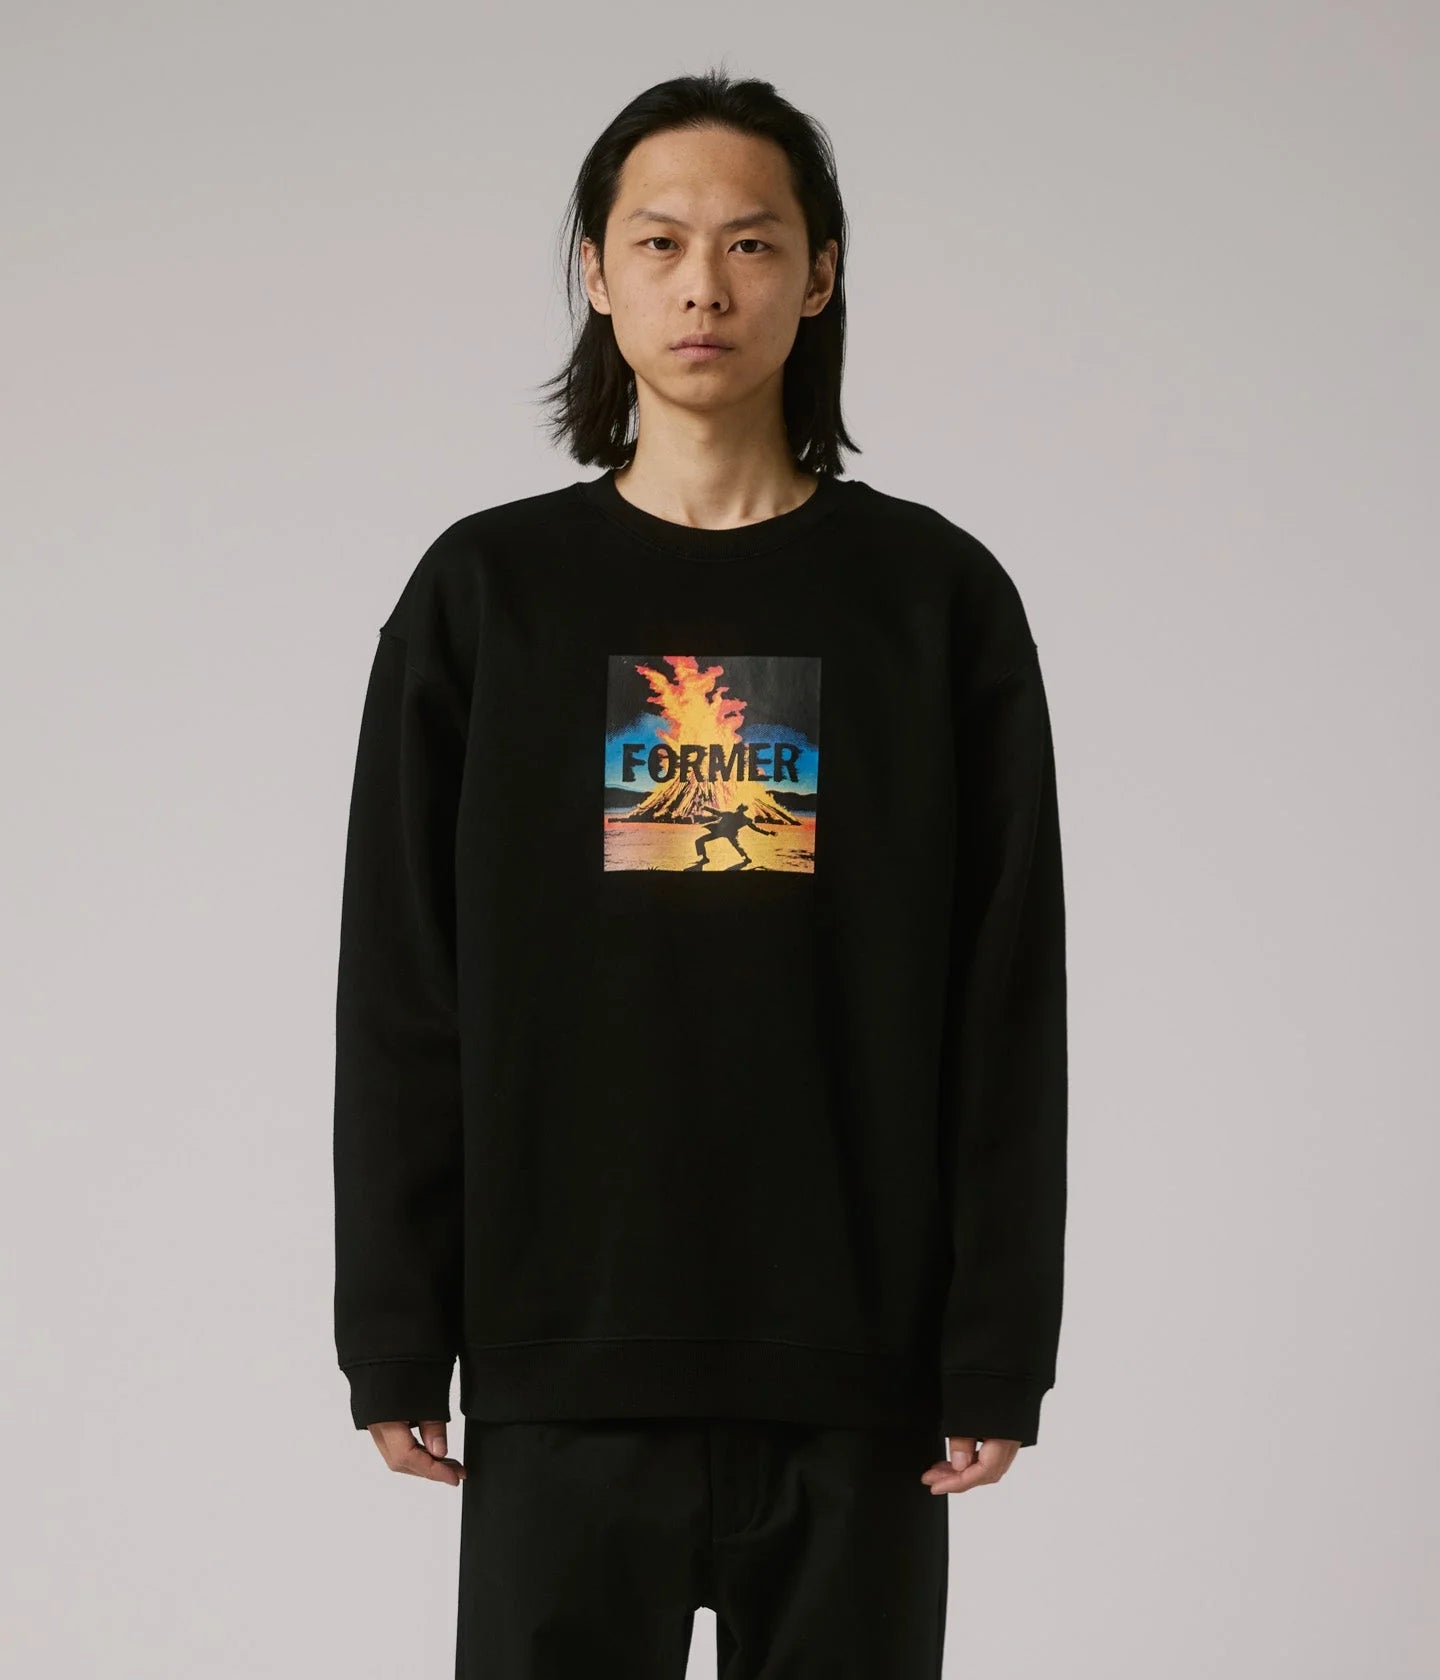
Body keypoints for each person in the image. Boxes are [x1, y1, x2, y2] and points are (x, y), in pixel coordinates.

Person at [333, 67, 1068, 1680]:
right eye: (658, 242)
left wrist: (996, 1344)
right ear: (596, 275)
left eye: (752, 242)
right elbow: (402, 983)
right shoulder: (489, 596)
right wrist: (395, 1325)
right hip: (564, 1366)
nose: (704, 286)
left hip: (857, 1379)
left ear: (820, 274)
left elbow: (1006, 997)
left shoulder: (934, 600)